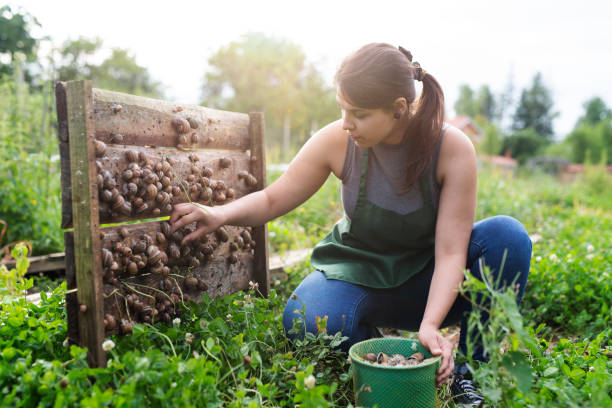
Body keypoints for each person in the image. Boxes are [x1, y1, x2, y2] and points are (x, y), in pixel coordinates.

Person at [170, 43, 531, 406]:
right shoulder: (338, 140)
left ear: (398, 110)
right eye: (343, 109)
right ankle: (385, 351)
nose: (346, 122)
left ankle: (469, 372)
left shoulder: (452, 148)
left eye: (358, 113)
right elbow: (272, 198)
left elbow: (452, 251)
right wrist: (220, 214)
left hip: (431, 279)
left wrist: (430, 324)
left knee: (507, 238)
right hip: (361, 275)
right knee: (307, 318)